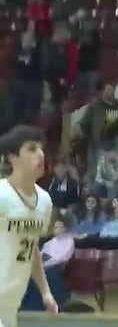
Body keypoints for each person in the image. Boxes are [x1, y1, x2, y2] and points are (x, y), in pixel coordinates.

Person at [0, 125, 58, 325]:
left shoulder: (44, 201)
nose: (40, 154)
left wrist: (46, 292)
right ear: (12, 157)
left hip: (10, 305)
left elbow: (31, 248)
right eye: (32, 149)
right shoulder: (1, 195)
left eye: (41, 149)